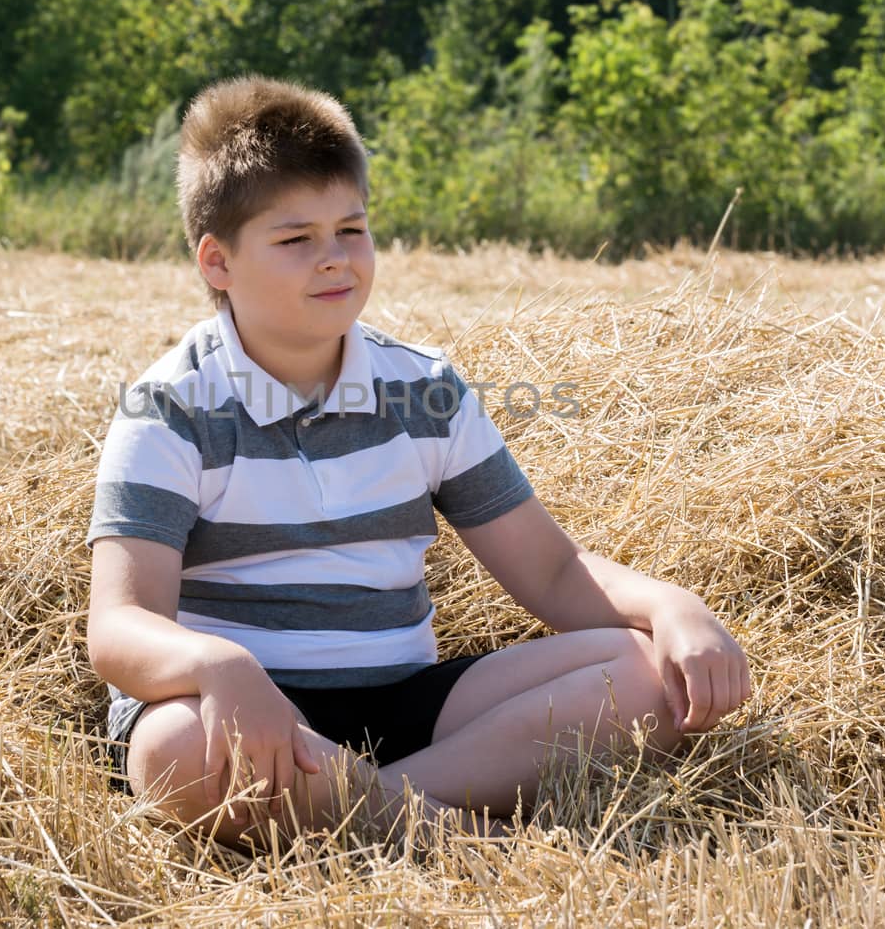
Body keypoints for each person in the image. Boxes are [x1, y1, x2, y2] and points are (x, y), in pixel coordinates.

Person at [84, 75, 751, 847]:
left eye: (353, 230)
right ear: (217, 262)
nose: (335, 259)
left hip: (408, 707)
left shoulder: (424, 390)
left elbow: (555, 575)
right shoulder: (169, 408)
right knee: (172, 753)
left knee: (644, 675)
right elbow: (120, 626)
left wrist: (674, 607)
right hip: (241, 715)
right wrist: (219, 666)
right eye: (296, 240)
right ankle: (460, 841)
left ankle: (385, 812)